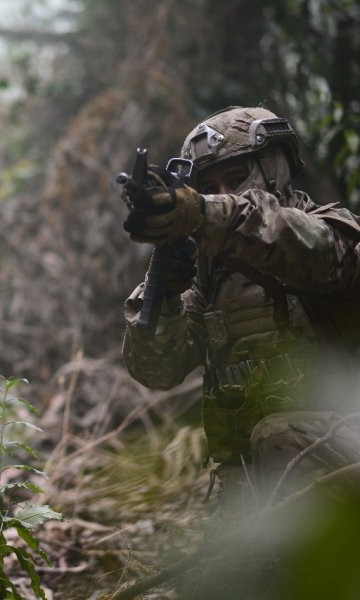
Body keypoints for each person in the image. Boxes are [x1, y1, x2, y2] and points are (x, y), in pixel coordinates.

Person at [121, 106, 360, 510]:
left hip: (343, 446)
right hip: (264, 482)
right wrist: (166, 293)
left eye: (236, 180)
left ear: (275, 171)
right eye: (210, 186)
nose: (225, 195)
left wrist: (205, 213)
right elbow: (157, 370)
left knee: (277, 435)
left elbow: (299, 245)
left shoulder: (328, 233)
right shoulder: (208, 273)